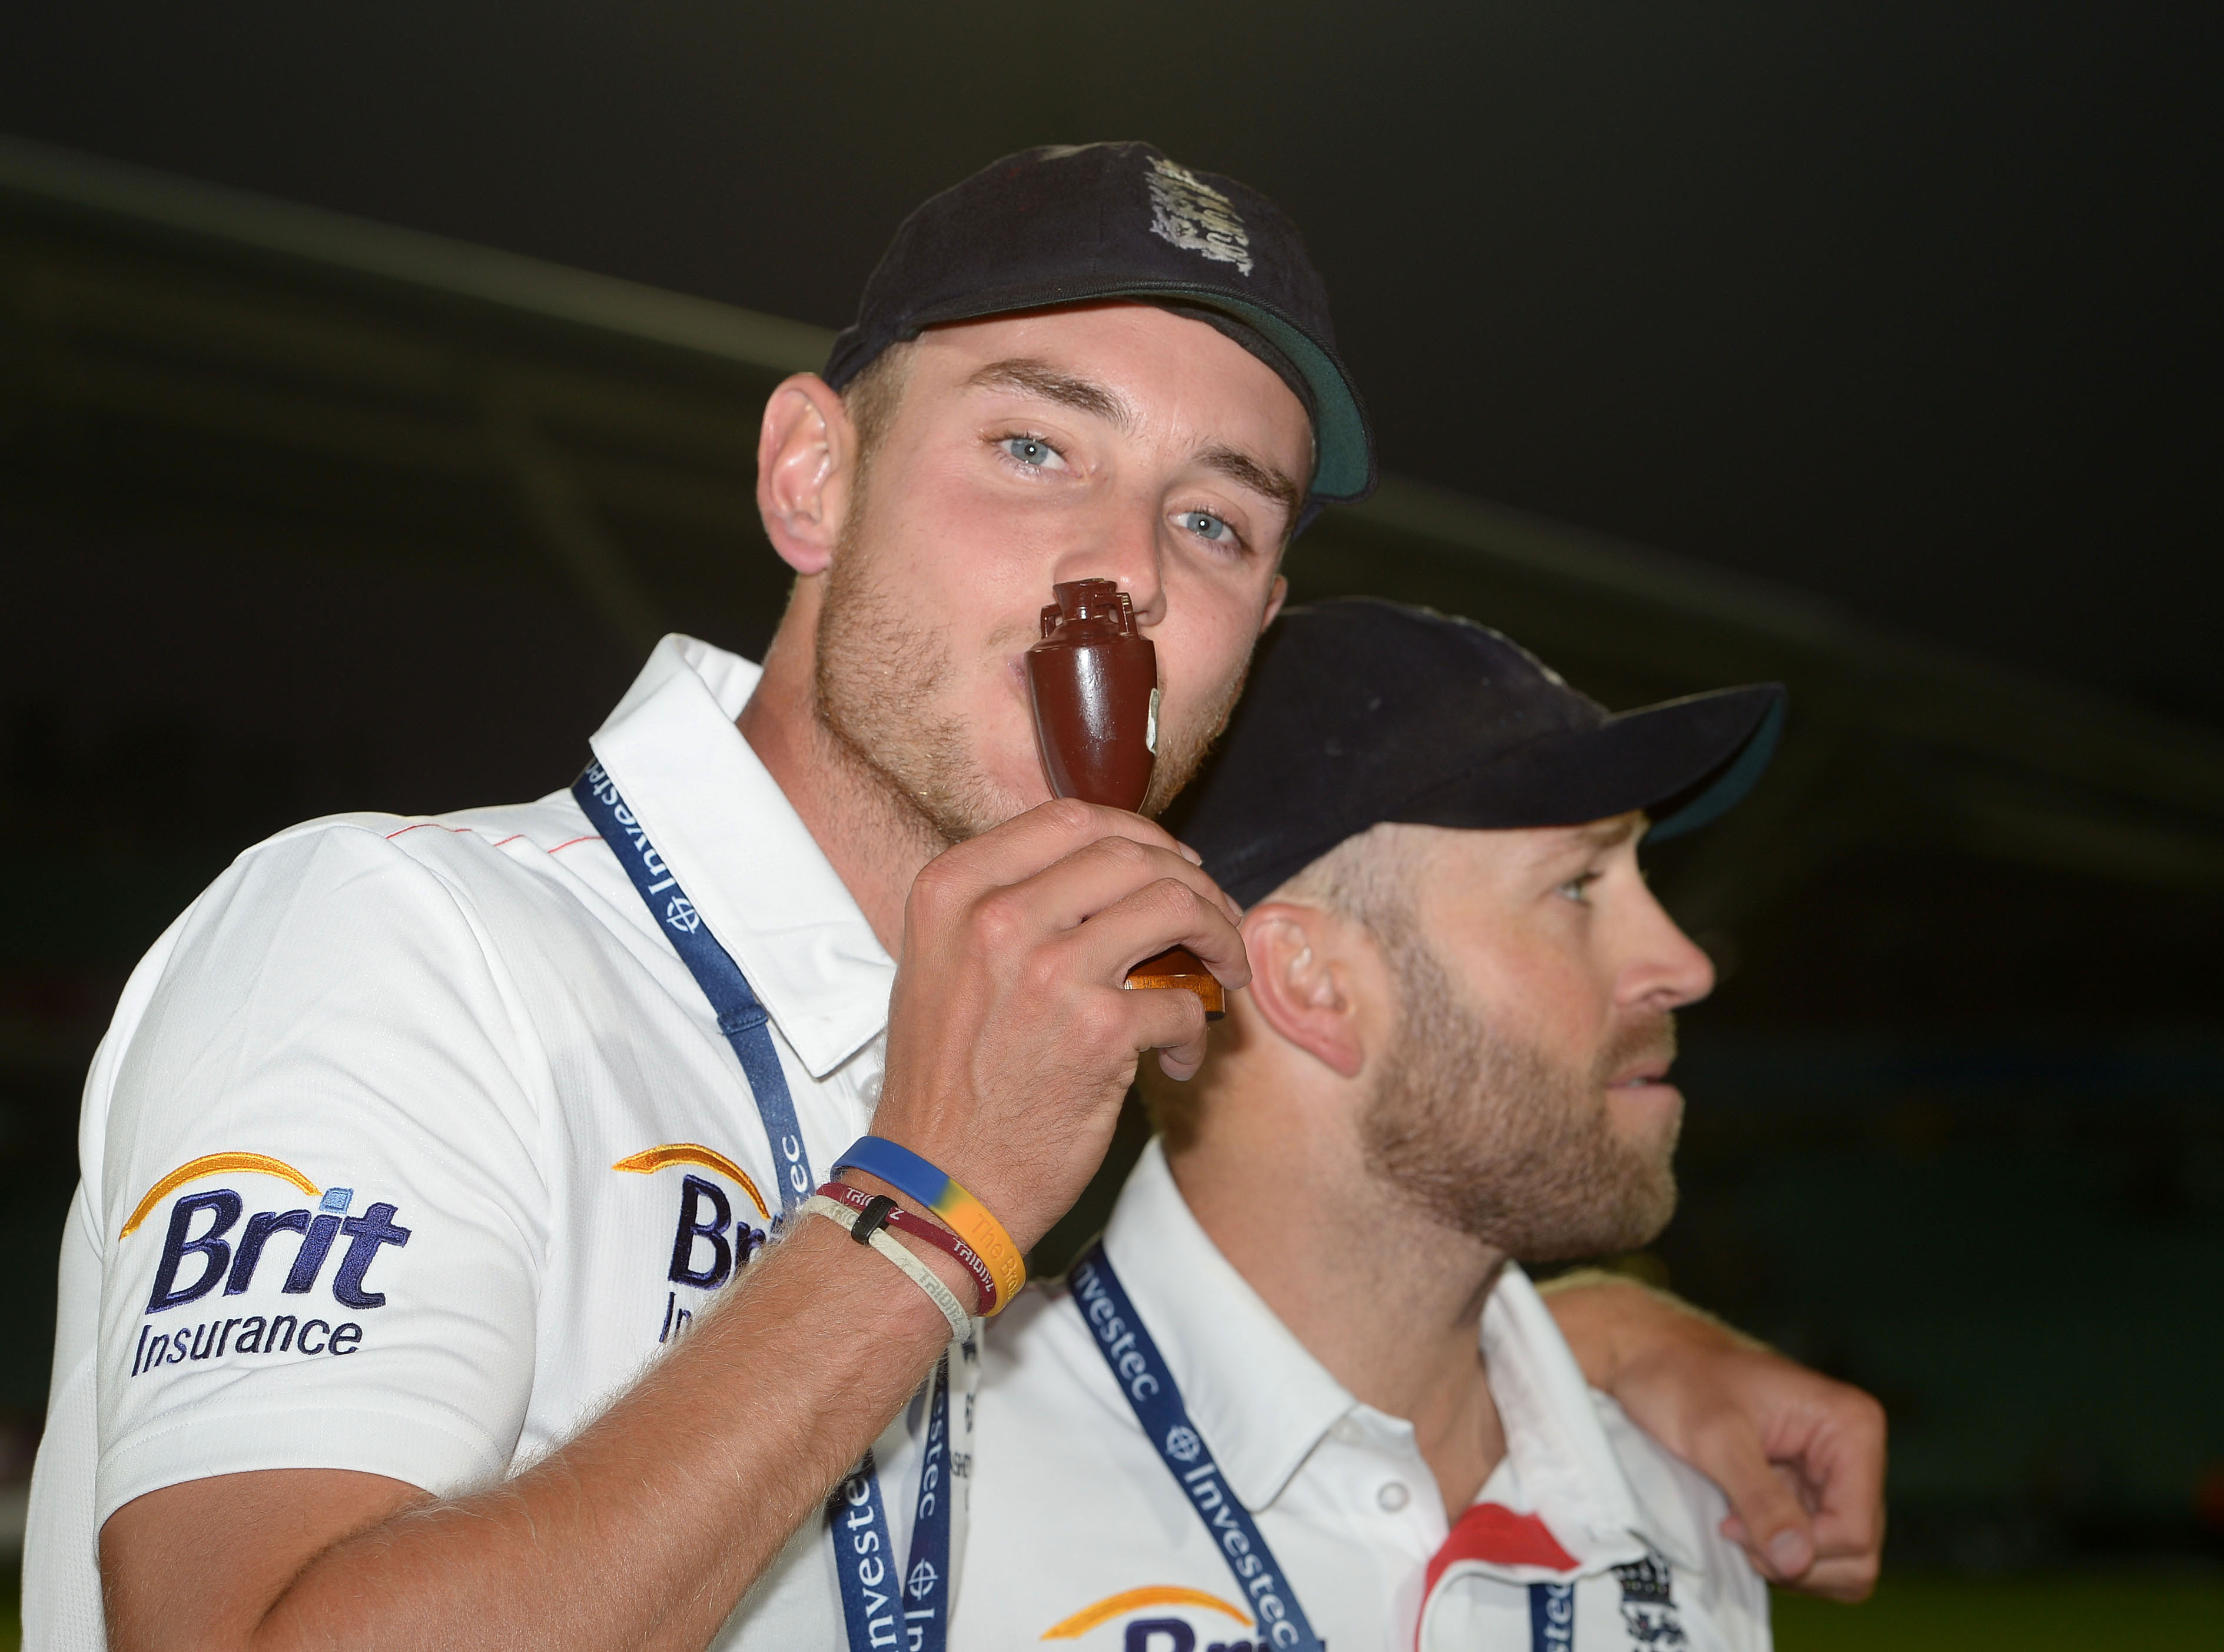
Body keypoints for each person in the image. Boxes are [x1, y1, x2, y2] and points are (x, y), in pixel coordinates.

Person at [25, 143, 1878, 1651]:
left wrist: (1599, 1348)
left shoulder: (1022, 1068)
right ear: (811, 477)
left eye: (1215, 520)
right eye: (1033, 446)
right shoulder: (401, 939)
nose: (1120, 571)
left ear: (1255, 626)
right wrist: (926, 1215)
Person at [954, 599, 1885, 1651]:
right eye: (1578, 886)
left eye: (1640, 875)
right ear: (1308, 981)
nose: (1683, 963)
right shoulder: (929, 1497)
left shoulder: (1685, 1510)